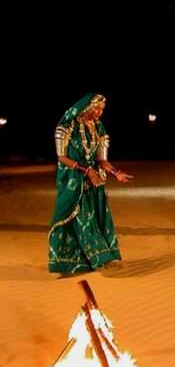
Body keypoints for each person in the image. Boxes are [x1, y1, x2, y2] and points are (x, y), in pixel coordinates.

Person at [49, 94, 133, 274]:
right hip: (75, 182)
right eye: (96, 109)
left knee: (95, 219)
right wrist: (86, 171)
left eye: (102, 110)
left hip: (95, 182)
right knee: (82, 220)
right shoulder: (66, 127)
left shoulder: (99, 128)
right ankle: (94, 259)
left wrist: (116, 173)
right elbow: (62, 157)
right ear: (86, 107)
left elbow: (102, 160)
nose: (99, 113)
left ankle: (99, 257)